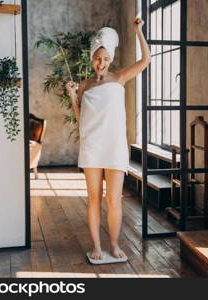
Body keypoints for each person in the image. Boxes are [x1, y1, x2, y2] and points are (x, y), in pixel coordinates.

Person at [65, 18, 150, 261]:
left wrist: (138, 31)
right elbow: (81, 118)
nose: (101, 63)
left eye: (105, 59)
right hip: (92, 146)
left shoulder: (120, 77)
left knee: (114, 200)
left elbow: (145, 61)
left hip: (114, 147)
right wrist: (72, 96)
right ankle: (97, 247)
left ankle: (113, 245)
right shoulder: (84, 85)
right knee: (93, 199)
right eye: (97, 58)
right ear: (91, 58)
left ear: (110, 59)